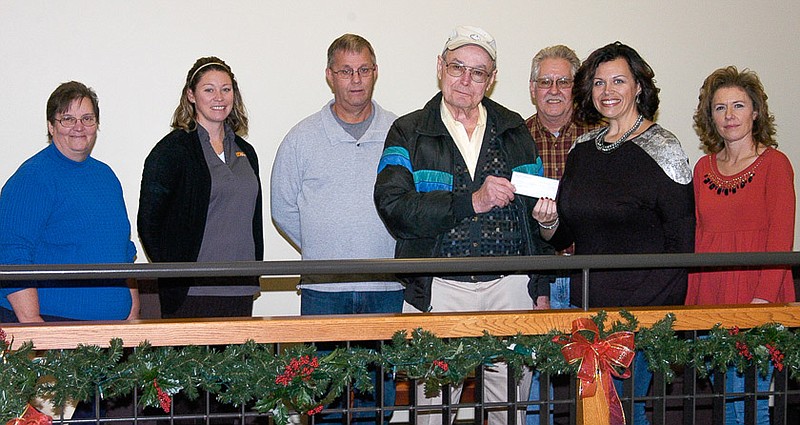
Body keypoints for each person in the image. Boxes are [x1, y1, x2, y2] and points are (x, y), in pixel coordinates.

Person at [374, 25, 552, 425]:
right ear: (440, 67)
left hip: (511, 288)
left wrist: (539, 286)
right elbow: (393, 207)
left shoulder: (513, 130)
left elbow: (531, 218)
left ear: (492, 80)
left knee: (509, 412)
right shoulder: (409, 130)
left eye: (479, 72)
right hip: (439, 291)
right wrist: (471, 201)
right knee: (429, 413)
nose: (466, 80)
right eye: (457, 67)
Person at [532, 42, 695, 425]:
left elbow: (682, 245)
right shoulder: (582, 149)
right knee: (585, 415)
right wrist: (548, 222)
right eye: (599, 82)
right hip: (583, 311)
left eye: (618, 81)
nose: (608, 91)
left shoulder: (664, 147)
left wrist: (648, 321)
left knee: (628, 414)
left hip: (638, 318)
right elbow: (564, 235)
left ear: (638, 86)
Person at [271, 34, 402, 423]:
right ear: (330, 76)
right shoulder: (302, 137)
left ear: (375, 72)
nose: (356, 79)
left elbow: (412, 208)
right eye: (346, 71)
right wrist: (324, 246)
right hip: (323, 293)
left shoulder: (401, 132)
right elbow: (282, 209)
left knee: (378, 404)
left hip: (386, 291)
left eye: (363, 70)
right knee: (324, 403)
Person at [686, 66, 795, 425]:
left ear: (756, 111)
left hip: (758, 297)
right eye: (720, 108)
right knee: (727, 403)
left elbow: (781, 238)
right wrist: (692, 308)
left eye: (738, 105)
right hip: (713, 298)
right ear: (710, 116)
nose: (729, 115)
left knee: (751, 405)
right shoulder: (702, 168)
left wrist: (761, 304)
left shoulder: (775, 165)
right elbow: (699, 237)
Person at [0, 81, 139, 323]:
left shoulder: (106, 177)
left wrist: (132, 311)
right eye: (67, 119)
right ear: (51, 126)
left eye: (87, 118)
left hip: (112, 331)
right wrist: (33, 326)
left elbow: (123, 252)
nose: (79, 127)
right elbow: (12, 254)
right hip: (52, 325)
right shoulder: (32, 177)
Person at [138, 57, 263, 319]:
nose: (219, 97)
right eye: (209, 89)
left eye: (226, 89)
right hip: (192, 293)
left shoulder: (246, 152)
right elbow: (149, 223)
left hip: (240, 287)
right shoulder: (171, 152)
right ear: (191, 95)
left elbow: (253, 220)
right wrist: (176, 274)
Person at [524, 44, 602, 425]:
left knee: (590, 385)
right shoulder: (513, 139)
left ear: (577, 88)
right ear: (531, 88)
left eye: (564, 82)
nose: (553, 90)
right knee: (534, 387)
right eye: (545, 82)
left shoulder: (599, 141)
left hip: (586, 277)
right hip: (535, 278)